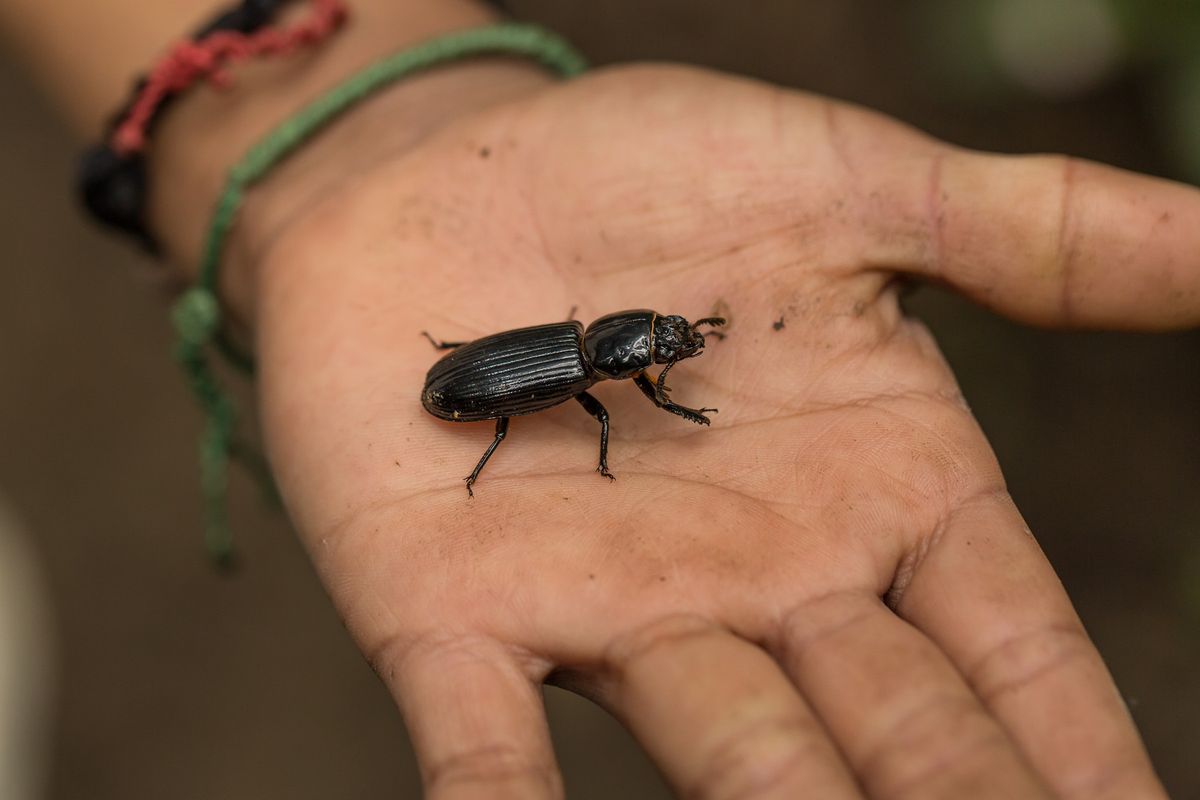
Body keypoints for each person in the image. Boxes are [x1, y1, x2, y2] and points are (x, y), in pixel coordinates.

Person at [2, 0, 1195, 797]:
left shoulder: (589, 346)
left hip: (485, 358)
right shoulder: (585, 376)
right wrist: (652, 416)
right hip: (476, 383)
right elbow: (516, 383)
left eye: (665, 344)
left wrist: (348, 137)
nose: (667, 349)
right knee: (541, 413)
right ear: (621, 352)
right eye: (661, 344)